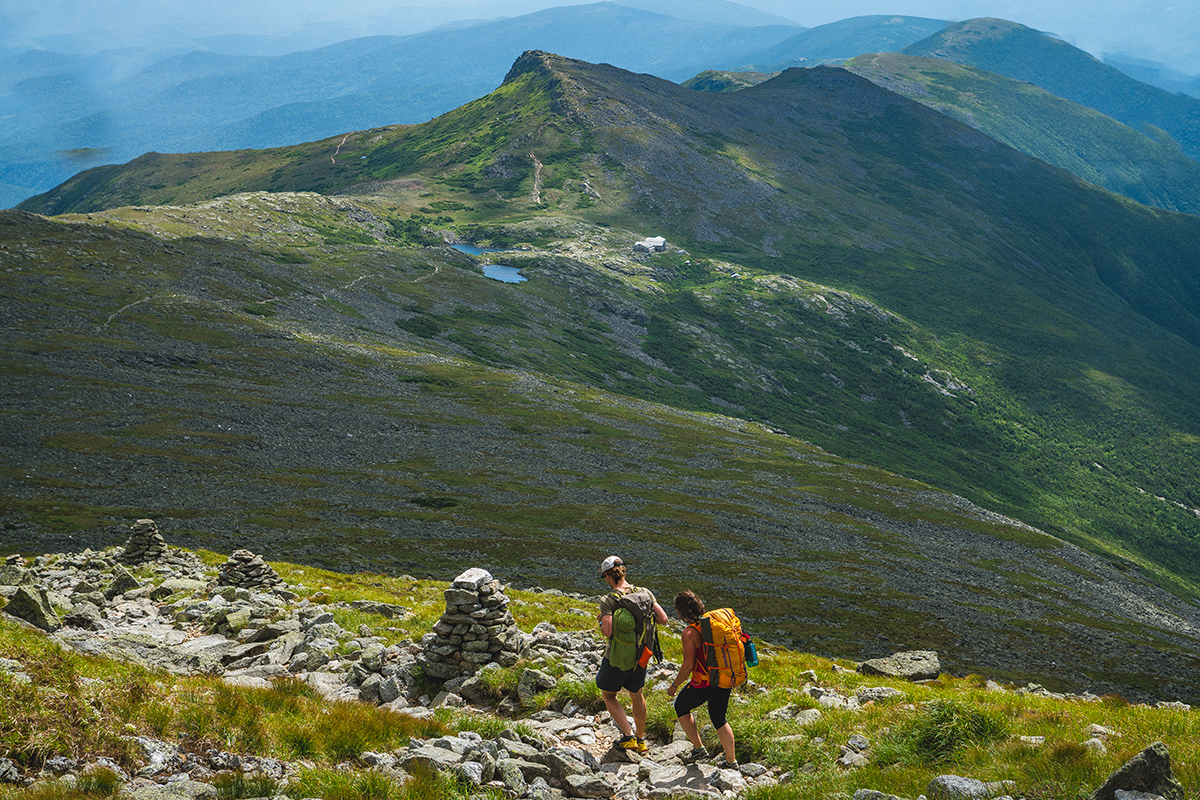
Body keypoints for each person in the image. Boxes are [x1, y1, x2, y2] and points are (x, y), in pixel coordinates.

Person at [596, 555, 669, 754]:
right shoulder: (645, 593)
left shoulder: (608, 600)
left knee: (608, 694)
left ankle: (628, 736)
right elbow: (663, 619)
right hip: (642, 654)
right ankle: (641, 739)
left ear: (608, 577)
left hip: (617, 657)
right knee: (637, 695)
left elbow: (608, 632)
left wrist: (601, 620)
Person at [666, 589, 737, 767]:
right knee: (719, 717)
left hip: (705, 682)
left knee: (681, 706)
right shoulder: (712, 623)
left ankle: (699, 750)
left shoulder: (689, 633)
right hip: (724, 676)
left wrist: (674, 685)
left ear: (681, 612)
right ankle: (731, 761)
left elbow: (688, 666)